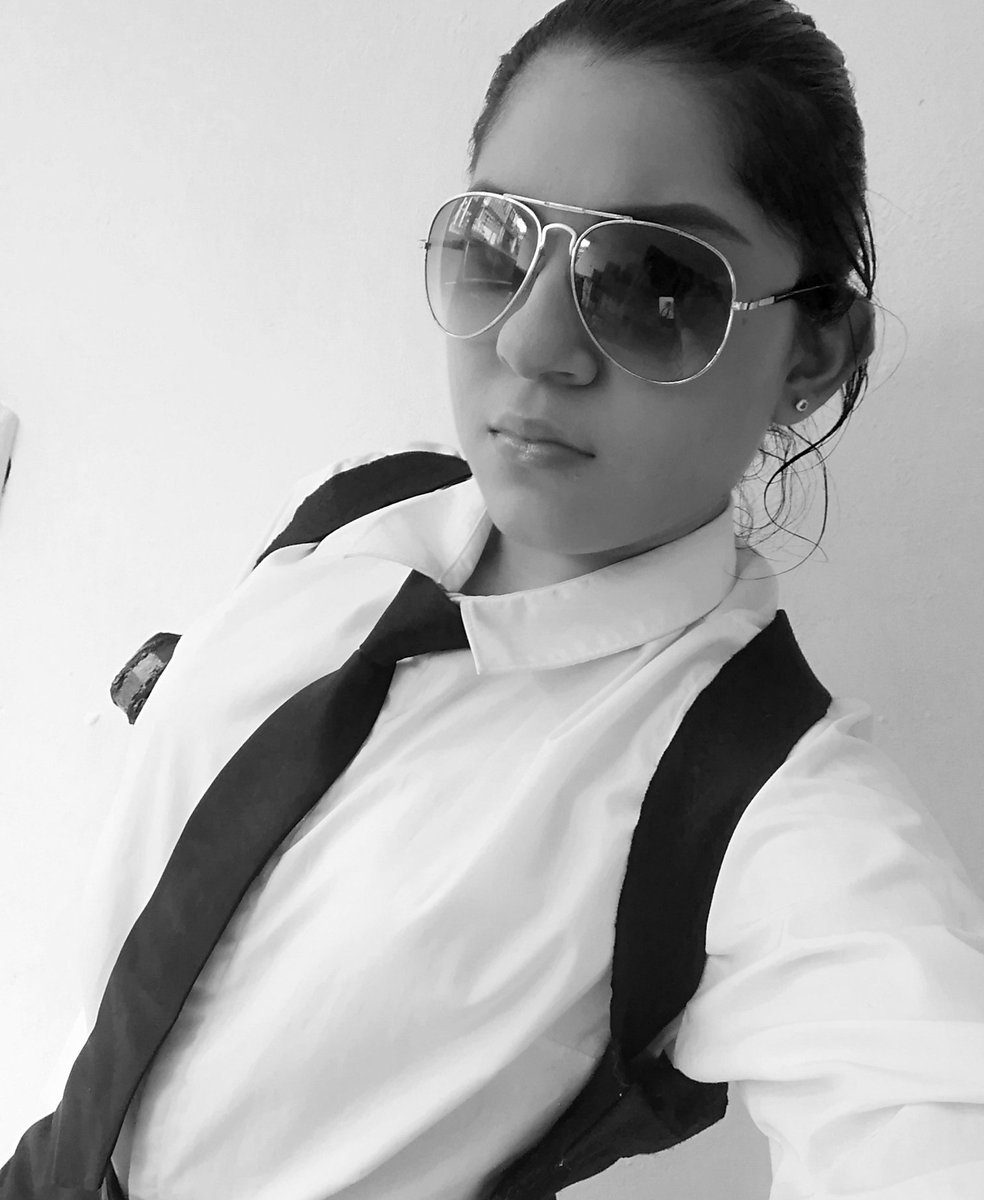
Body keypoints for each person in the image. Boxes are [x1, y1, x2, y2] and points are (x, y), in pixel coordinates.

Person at [5, 1, 984, 1197]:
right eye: (498, 245)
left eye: (655, 281)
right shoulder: (357, 514)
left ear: (812, 357)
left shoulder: (755, 800)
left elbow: (923, 1116)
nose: (529, 343)